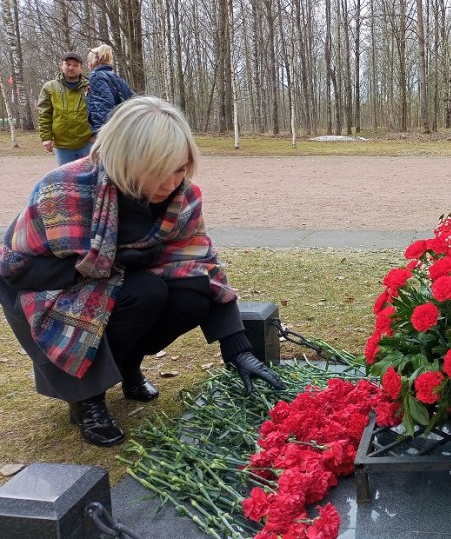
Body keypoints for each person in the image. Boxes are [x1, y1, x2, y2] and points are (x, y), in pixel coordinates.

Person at [0, 96, 285, 448]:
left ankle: (126, 366)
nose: (171, 183)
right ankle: (86, 398)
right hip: (47, 288)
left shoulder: (182, 196)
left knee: (188, 295)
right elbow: (15, 269)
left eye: (180, 168)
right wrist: (100, 266)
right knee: (143, 292)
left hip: (118, 283)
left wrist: (237, 346)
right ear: (126, 162)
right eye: (157, 170)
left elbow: (201, 262)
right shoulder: (65, 190)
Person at [37, 51, 93, 166]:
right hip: (63, 146)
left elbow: (99, 112)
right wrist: (46, 138)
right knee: (66, 180)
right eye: (67, 64)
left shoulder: (90, 86)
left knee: (90, 178)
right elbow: (44, 114)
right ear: (61, 65)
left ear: (81, 68)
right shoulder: (49, 87)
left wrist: (97, 135)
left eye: (75, 65)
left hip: (88, 143)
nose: (71, 68)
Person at [86, 44, 135, 134]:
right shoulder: (112, 75)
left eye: (88, 61)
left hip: (109, 132)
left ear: (93, 61)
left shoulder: (96, 76)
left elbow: (104, 109)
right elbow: (132, 97)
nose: (88, 64)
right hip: (123, 126)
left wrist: (101, 136)